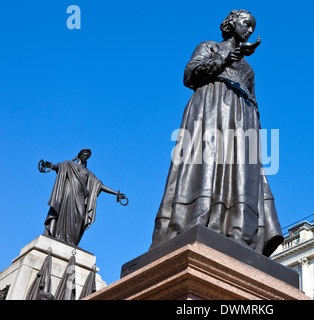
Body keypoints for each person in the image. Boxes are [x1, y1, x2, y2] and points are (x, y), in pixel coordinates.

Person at [151, 10, 283, 257]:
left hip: (242, 118)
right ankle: (197, 218)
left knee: (242, 174)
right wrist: (224, 60)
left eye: (253, 27)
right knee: (206, 164)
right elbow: (189, 76)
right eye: (247, 24)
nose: (250, 30)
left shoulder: (249, 69)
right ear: (232, 24)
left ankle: (238, 229)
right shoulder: (210, 47)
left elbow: (254, 100)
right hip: (211, 110)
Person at [39, 149, 127, 247]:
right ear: (80, 155)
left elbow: (99, 185)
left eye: (87, 156)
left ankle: (71, 241)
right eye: (84, 155)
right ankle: (59, 236)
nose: (85, 157)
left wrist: (116, 193)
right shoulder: (69, 164)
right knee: (63, 214)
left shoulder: (87, 172)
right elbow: (59, 167)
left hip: (80, 196)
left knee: (80, 216)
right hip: (68, 194)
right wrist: (50, 166)